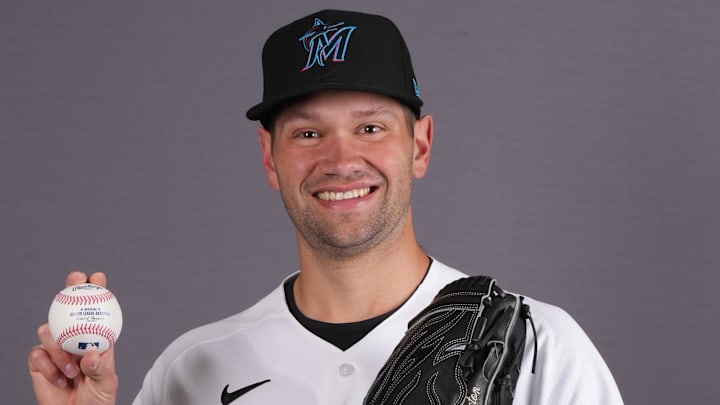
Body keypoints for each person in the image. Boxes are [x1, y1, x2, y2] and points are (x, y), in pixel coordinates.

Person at [27, 9, 624, 405]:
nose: (341, 160)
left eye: (369, 127)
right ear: (270, 157)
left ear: (419, 145)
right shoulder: (190, 372)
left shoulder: (540, 347)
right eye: (308, 134)